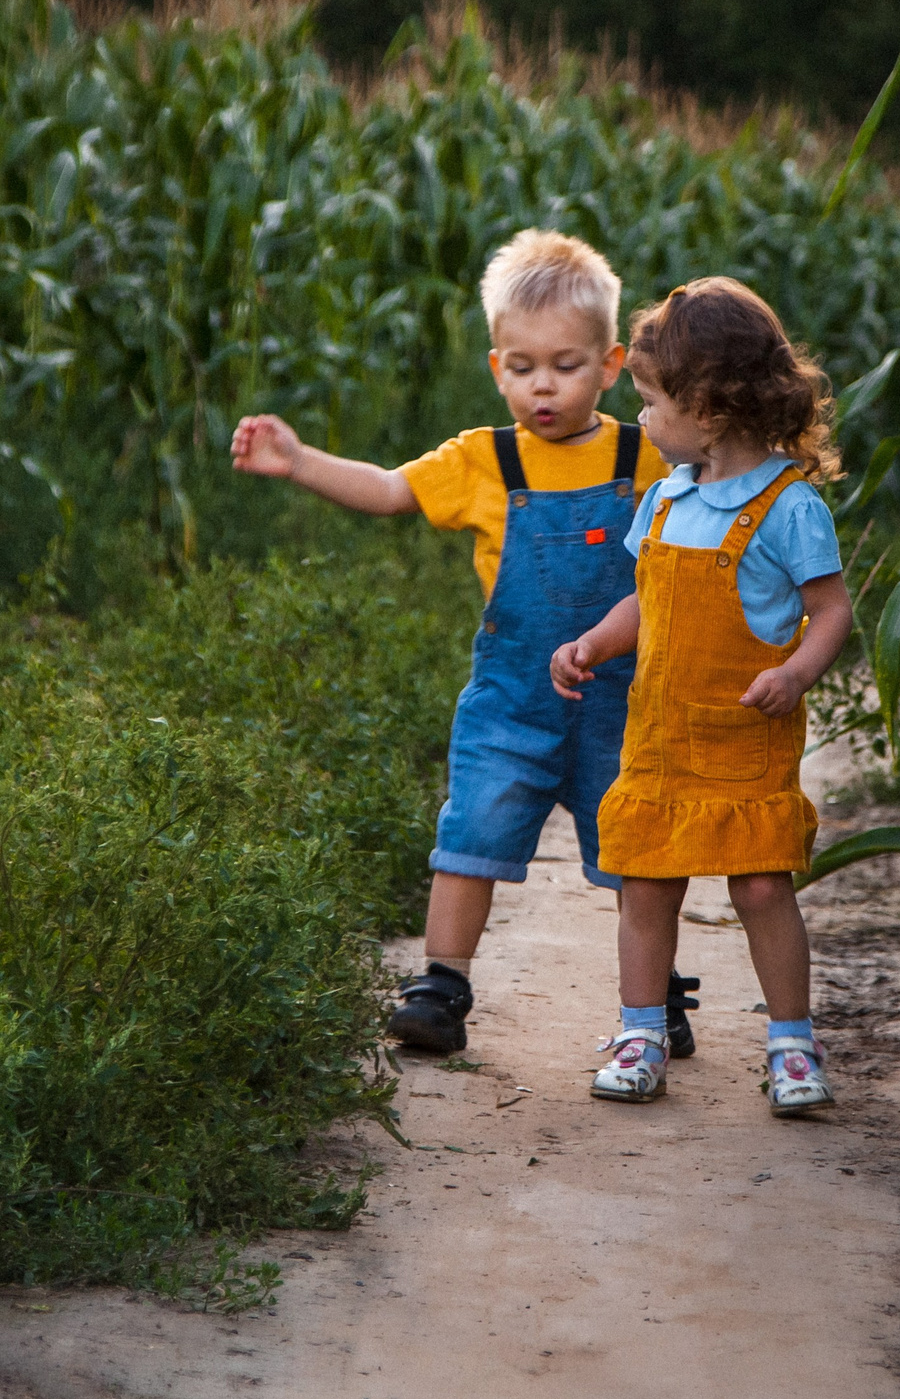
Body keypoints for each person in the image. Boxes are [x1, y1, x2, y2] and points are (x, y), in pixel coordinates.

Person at [231, 229, 697, 1056]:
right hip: (512, 699)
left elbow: (706, 517)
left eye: (565, 365)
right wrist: (298, 459)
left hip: (623, 701)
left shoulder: (646, 455)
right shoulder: (486, 459)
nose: (542, 387)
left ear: (613, 361)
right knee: (470, 832)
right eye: (521, 368)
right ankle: (439, 986)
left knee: (639, 851)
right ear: (496, 368)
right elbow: (386, 489)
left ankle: (656, 996)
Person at [548, 278, 851, 1116]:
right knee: (645, 881)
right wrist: (592, 643)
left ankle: (792, 1043)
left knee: (760, 886)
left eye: (650, 401)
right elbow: (647, 602)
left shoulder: (789, 508)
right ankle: (641, 1030)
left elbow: (831, 611)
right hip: (661, 735)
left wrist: (795, 672)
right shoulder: (667, 498)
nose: (639, 417)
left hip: (747, 736)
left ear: (710, 409)